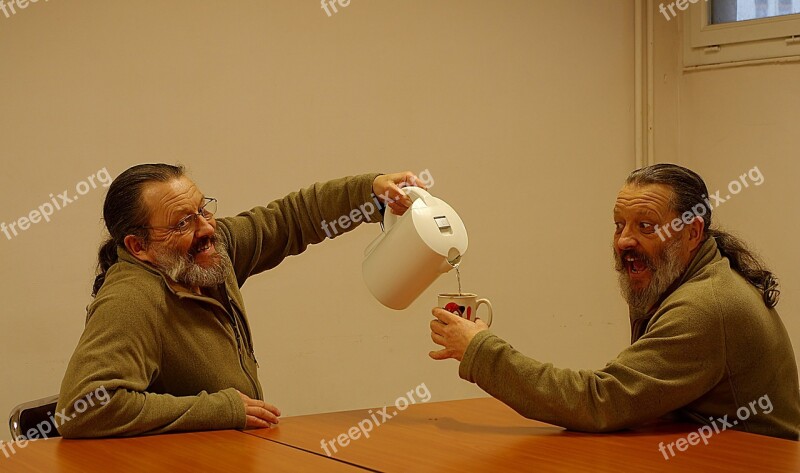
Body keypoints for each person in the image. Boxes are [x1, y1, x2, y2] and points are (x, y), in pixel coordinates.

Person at [429, 163, 800, 441]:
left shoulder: (704, 306)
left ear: (692, 233)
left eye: (645, 226)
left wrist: (480, 350)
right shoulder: (672, 279)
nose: (624, 241)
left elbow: (601, 401)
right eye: (619, 225)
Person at [57, 164, 423, 438]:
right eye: (182, 223)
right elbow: (80, 409)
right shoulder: (130, 299)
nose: (207, 229)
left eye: (203, 210)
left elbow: (292, 219)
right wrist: (221, 408)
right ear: (139, 247)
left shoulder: (210, 252)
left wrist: (370, 194)